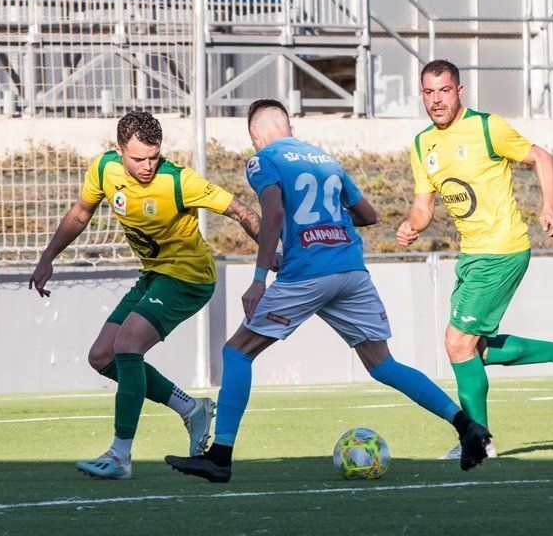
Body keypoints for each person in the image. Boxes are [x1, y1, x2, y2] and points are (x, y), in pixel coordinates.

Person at [164, 100, 492, 483]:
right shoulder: (326, 160)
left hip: (307, 272)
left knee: (237, 353)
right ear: (289, 126)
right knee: (384, 365)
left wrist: (258, 278)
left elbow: (273, 213)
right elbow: (368, 215)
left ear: (256, 135)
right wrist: (329, 219)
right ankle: (466, 426)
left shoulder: (263, 160)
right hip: (351, 270)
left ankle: (219, 456)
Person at [29, 111, 263, 479]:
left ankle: (120, 455)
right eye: (138, 158)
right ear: (119, 150)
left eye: (154, 157)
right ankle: (191, 409)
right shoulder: (105, 170)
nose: (148, 166)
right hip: (154, 275)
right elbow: (81, 212)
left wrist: (270, 254)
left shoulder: (179, 181)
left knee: (127, 345)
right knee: (102, 356)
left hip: (189, 276)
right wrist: (48, 256)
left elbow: (241, 211)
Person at [396, 60, 553, 460]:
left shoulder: (488, 127)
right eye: (429, 92)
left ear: (459, 91)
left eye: (444, 91)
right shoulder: (422, 145)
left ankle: (478, 441)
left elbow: (541, 156)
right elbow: (423, 208)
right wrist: (411, 225)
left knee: (457, 343)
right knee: (476, 349)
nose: (436, 100)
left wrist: (551, 207)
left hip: (502, 248)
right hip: (472, 255)